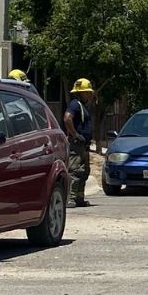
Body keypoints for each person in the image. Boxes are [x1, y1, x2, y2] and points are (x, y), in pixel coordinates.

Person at [63, 78, 95, 207]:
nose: (89, 94)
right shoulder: (75, 104)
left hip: (83, 145)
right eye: (87, 92)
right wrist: (75, 134)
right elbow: (67, 118)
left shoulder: (83, 106)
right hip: (76, 145)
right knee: (75, 171)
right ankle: (70, 198)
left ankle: (79, 198)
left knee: (84, 171)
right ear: (80, 93)